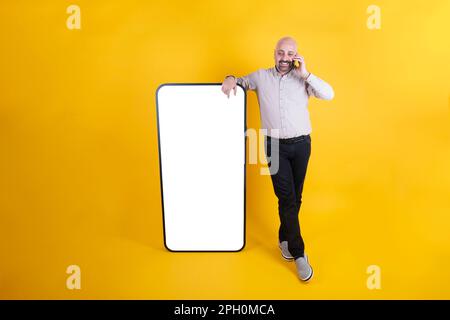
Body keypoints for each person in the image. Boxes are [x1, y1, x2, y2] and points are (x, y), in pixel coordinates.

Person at [221, 36, 334, 282]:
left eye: (289, 54)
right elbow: (240, 82)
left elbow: (329, 94)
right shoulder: (261, 77)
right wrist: (230, 78)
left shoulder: (303, 78)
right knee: (286, 198)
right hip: (274, 146)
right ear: (274, 53)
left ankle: (284, 239)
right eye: (280, 53)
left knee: (295, 197)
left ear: (296, 55)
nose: (284, 58)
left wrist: (306, 74)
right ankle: (299, 253)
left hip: (302, 144)